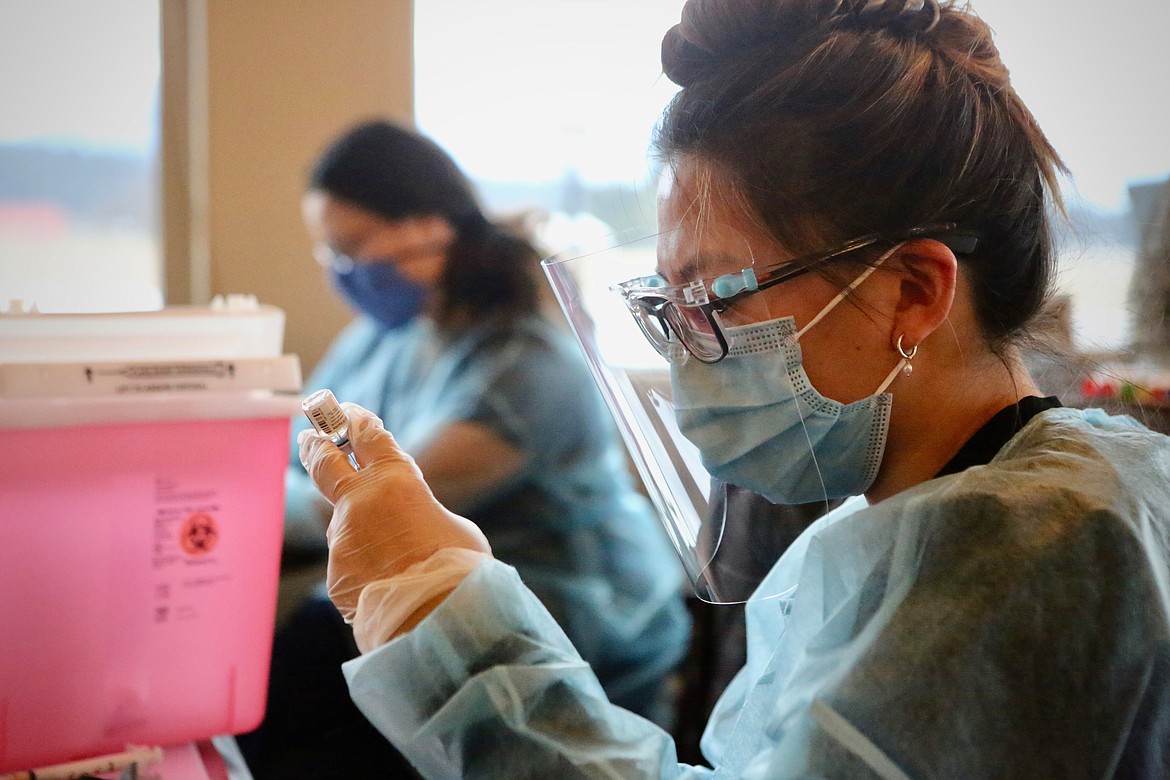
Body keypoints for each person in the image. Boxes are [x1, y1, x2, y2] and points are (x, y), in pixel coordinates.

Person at [296, 2, 1170, 777]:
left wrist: (450, 620)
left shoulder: (1033, 552)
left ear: (913, 290)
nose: (686, 355)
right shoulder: (893, 528)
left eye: (714, 296)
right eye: (663, 303)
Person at [238, 120, 690, 775]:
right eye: (330, 253)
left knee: (301, 681)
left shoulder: (527, 369)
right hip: (445, 603)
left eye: (353, 247)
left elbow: (368, 508)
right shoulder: (388, 337)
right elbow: (292, 452)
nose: (344, 271)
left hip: (559, 616)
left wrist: (238, 510)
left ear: (426, 226)